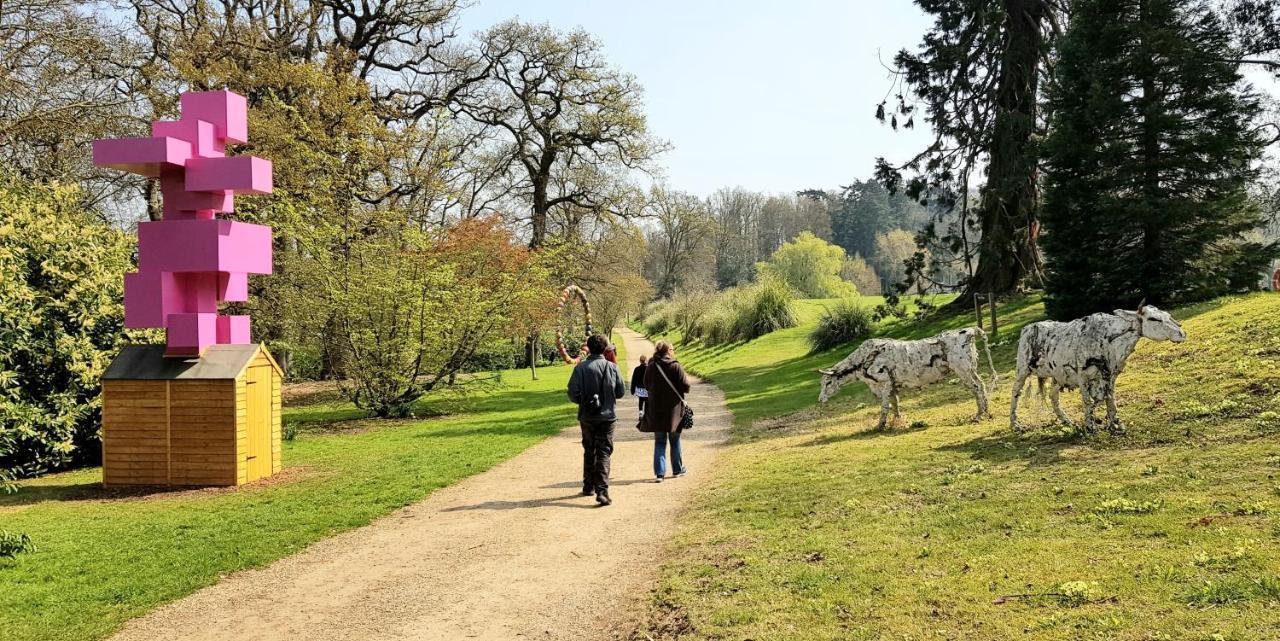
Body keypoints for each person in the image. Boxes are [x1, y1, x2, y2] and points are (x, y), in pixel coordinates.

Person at [567, 334, 625, 506]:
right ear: (605, 349)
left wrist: (584, 401)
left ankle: (588, 485)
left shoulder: (580, 368)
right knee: (604, 452)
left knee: (589, 449)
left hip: (587, 416)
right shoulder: (612, 368)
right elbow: (621, 392)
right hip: (607, 416)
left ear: (589, 348)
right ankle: (602, 491)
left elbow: (572, 393)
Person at [642, 340, 691, 483]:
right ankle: (677, 470)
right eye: (672, 349)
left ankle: (660, 474)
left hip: (656, 410)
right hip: (674, 411)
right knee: (675, 440)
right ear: (668, 350)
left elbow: (646, 385)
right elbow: (686, 387)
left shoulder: (651, 367)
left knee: (659, 441)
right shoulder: (675, 366)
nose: (673, 351)